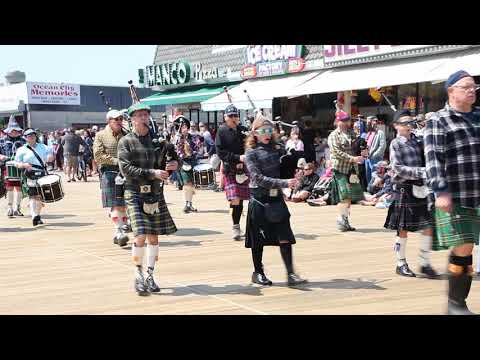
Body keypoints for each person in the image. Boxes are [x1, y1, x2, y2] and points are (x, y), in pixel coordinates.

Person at [424, 70, 480, 315]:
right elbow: (433, 158)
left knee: (466, 247)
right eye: (466, 86)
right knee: (464, 246)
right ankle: (456, 303)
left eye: (474, 87)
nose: (472, 90)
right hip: (456, 194)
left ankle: (455, 305)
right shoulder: (439, 120)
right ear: (451, 91)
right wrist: (441, 190)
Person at [118, 102, 178, 296]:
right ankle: (138, 275)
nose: (144, 118)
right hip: (134, 192)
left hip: (154, 193)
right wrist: (153, 172)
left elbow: (169, 161)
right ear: (132, 119)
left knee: (153, 236)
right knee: (140, 234)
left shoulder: (157, 141)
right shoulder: (125, 141)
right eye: (139, 115)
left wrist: (173, 164)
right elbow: (126, 169)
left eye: (146, 115)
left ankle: (150, 276)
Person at [244, 114, 307, 286]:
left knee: (285, 235)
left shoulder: (278, 149)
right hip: (259, 199)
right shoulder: (250, 153)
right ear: (255, 133)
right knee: (258, 240)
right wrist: (285, 183)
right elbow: (258, 178)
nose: (267, 133)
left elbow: (285, 169)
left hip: (276, 199)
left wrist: (297, 171)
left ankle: (291, 274)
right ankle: (257, 272)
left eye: (269, 130)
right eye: (263, 130)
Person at [383, 109, 439, 279]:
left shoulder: (418, 141)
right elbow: (397, 168)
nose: (408, 125)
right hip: (404, 188)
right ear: (396, 126)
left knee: (428, 226)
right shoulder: (395, 144)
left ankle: (424, 262)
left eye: (410, 122)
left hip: (421, 189)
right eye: (404, 123)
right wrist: (422, 172)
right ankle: (400, 263)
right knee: (402, 229)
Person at [93, 110, 130, 247]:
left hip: (127, 172)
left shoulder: (127, 134)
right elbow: (98, 156)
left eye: (121, 118)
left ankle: (120, 229)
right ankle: (119, 232)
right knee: (117, 204)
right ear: (109, 121)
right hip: (109, 172)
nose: (119, 121)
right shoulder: (100, 135)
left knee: (126, 203)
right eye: (116, 119)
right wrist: (117, 161)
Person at [215, 104, 250, 241]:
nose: (233, 118)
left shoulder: (243, 130)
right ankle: (236, 227)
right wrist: (237, 158)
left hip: (244, 169)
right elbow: (220, 152)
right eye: (230, 116)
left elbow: (251, 144)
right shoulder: (221, 131)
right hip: (230, 168)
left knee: (241, 200)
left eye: (235, 115)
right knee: (235, 199)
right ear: (225, 117)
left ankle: (247, 226)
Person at [328, 111, 366, 231]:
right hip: (340, 168)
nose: (346, 123)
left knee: (350, 196)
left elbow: (359, 146)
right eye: (343, 120)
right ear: (338, 121)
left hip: (352, 169)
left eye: (347, 120)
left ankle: (344, 219)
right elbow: (336, 152)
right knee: (344, 194)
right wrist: (353, 158)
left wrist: (364, 150)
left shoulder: (352, 133)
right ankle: (341, 219)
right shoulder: (334, 135)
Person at [14, 129, 54, 226]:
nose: (31, 137)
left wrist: (50, 157)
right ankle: (34, 216)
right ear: (25, 138)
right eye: (28, 136)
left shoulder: (44, 147)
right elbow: (16, 163)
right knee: (33, 195)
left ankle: (37, 214)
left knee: (40, 196)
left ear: (36, 136)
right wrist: (23, 165)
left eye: (33, 135)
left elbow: (51, 155)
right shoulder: (21, 150)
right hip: (30, 174)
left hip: (42, 173)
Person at [174, 116, 201, 213]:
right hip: (182, 162)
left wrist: (191, 150)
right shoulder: (177, 138)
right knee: (186, 184)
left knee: (189, 184)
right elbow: (175, 150)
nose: (184, 128)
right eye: (182, 126)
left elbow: (198, 147)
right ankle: (188, 203)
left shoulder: (193, 137)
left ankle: (189, 203)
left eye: (185, 125)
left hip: (191, 161)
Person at [0, 116, 26, 217]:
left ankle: (17, 208)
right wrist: (1, 156)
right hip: (7, 167)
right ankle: (10, 207)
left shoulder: (23, 141)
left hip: (20, 167)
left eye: (16, 130)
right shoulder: (1, 141)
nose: (14, 132)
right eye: (12, 130)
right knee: (10, 187)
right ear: (8, 131)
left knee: (19, 188)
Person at [365, 116, 387, 185]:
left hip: (375, 158)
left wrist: (374, 155)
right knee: (368, 176)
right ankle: (370, 190)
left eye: (369, 123)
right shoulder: (369, 133)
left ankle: (374, 191)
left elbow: (382, 146)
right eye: (367, 123)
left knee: (375, 177)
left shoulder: (380, 133)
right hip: (367, 158)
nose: (367, 124)